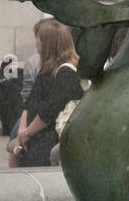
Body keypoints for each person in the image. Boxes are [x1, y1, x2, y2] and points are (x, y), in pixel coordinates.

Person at [9, 20, 84, 168]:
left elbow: (50, 110)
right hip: (34, 132)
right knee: (15, 151)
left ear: (48, 42)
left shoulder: (66, 72)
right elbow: (29, 103)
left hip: (49, 137)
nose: (36, 42)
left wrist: (27, 133)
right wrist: (21, 133)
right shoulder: (46, 69)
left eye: (38, 37)